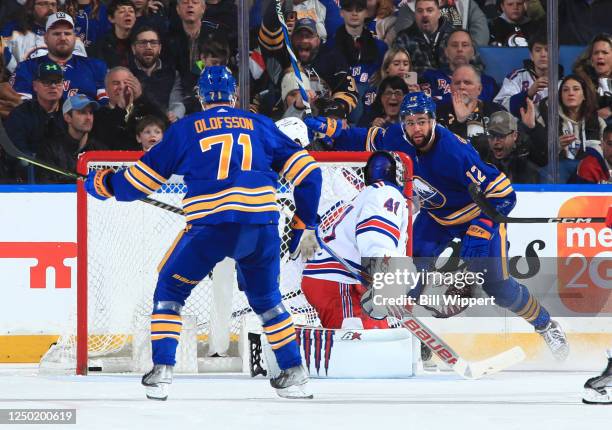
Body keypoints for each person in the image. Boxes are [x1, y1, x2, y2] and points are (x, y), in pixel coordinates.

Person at [83, 66, 322, 400]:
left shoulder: (184, 129)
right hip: (261, 228)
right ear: (235, 95)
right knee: (268, 300)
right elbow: (311, 176)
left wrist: (104, 183)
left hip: (210, 227)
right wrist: (304, 223)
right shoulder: (261, 125)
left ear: (200, 96)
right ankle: (294, 372)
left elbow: (138, 184)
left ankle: (163, 371)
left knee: (169, 289)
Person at [303, 92, 570, 361]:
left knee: (498, 287)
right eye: (410, 122)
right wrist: (333, 131)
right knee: (406, 272)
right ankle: (412, 336)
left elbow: (505, 195)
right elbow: (365, 138)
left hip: (476, 217)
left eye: (421, 121)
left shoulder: (455, 152)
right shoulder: (397, 137)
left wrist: (484, 225)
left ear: (432, 120)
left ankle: (546, 325)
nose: (416, 128)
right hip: (436, 218)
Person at [301, 151, 409, 329]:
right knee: (360, 347)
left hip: (337, 281)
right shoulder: (387, 193)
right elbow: (375, 234)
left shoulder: (366, 196)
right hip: (340, 283)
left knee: (378, 337)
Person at [12, 12, 108, 103]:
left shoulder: (96, 67)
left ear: (75, 37)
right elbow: (22, 109)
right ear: (45, 38)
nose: (62, 38)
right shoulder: (26, 68)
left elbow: (106, 106)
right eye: (56, 33)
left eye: (67, 33)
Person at [4, 60, 67, 182]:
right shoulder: (20, 114)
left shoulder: (73, 112)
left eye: (57, 81)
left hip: (69, 175)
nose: (53, 86)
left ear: (63, 85)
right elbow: (16, 152)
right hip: (31, 178)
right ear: (35, 86)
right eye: (47, 81)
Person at [90, 66, 167, 150]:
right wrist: (120, 108)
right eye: (116, 83)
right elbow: (105, 139)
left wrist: (141, 98)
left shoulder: (146, 108)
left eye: (127, 82)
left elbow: (166, 126)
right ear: (106, 90)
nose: (122, 87)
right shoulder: (99, 115)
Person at [1, 0, 87, 73]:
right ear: (30, 8)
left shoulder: (71, 38)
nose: (50, 8)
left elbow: (81, 71)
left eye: (53, 4)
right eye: (43, 4)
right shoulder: (13, 33)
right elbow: (11, 70)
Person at [37, 93, 106, 183]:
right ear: (67, 117)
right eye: (82, 112)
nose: (88, 117)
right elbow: (47, 187)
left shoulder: (100, 149)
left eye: (91, 113)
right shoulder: (50, 149)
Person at [421, 29, 498, 104]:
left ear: (472, 52)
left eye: (465, 45)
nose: (460, 49)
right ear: (446, 51)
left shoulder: (488, 83)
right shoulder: (430, 77)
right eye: (454, 45)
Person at [129, 26, 185, 122]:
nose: (148, 47)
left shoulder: (172, 74)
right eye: (143, 43)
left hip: (164, 125)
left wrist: (175, 115)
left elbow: (177, 103)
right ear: (133, 48)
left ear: (159, 48)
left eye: (153, 43)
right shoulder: (127, 74)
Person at [493, 31, 552, 118]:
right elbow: (500, 106)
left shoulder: (564, 83)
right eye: (538, 50)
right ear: (531, 55)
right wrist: (528, 94)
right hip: (520, 129)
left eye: (547, 50)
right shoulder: (516, 77)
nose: (543, 54)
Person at [393, 0, 455, 74]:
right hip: (418, 84)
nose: (424, 14)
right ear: (415, 14)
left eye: (429, 10)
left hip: (451, 84)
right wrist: (415, 82)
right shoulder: (403, 39)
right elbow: (398, 74)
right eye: (420, 11)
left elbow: (467, 68)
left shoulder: (454, 35)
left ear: (439, 13)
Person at [573, 33, 612, 125]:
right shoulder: (580, 82)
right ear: (591, 59)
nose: (600, 56)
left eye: (605, 52)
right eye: (596, 53)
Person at [91, 0, 137, 68]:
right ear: (111, 18)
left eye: (131, 11)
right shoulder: (101, 45)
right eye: (122, 11)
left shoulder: (140, 41)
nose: (128, 14)